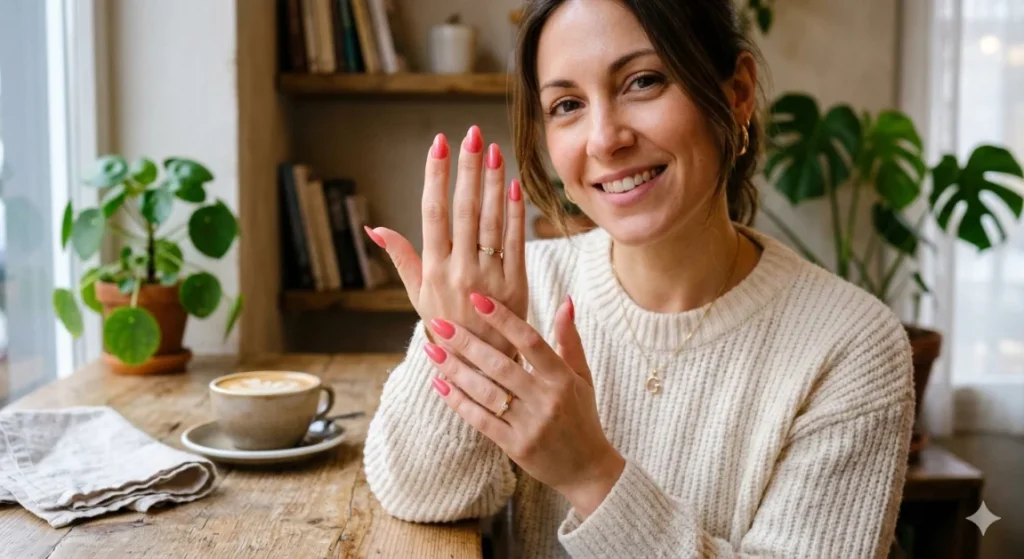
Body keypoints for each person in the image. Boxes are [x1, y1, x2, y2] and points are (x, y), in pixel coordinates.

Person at [362, 0, 915, 557]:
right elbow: (421, 497)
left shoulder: (853, 344)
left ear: (737, 92)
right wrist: (464, 341)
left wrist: (590, 476)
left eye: (643, 81)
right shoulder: (522, 292)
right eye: (567, 104)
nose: (604, 140)